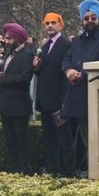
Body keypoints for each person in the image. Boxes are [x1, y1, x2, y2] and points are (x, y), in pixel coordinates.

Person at [62, 0, 99, 176]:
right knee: (79, 140)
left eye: (93, 17)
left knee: (95, 140)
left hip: (95, 96)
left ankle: (96, 174)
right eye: (86, 18)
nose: (89, 21)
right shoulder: (78, 40)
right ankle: (82, 169)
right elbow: (67, 58)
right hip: (75, 96)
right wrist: (69, 70)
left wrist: (82, 74)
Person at [34, 13, 73, 177]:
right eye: (47, 23)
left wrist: (65, 101)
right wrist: (36, 67)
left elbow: (65, 73)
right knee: (49, 137)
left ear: (60, 25)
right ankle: (52, 168)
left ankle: (67, 171)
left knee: (64, 138)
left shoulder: (66, 45)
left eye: (53, 23)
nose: (50, 26)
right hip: (45, 101)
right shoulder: (44, 47)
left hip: (59, 101)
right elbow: (42, 72)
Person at [0, 23, 35, 174]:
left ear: (17, 38)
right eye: (5, 38)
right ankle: (12, 170)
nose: (6, 41)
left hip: (19, 106)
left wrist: (3, 78)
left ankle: (24, 171)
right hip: (6, 105)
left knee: (21, 141)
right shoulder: (8, 55)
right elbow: (5, 74)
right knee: (9, 141)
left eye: (9, 38)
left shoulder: (28, 54)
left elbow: (24, 78)